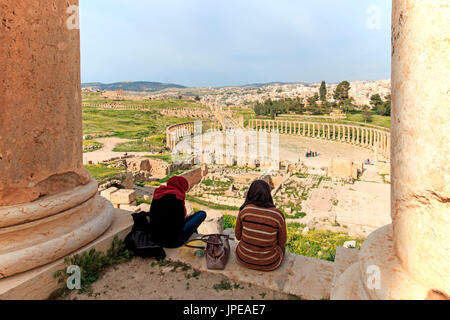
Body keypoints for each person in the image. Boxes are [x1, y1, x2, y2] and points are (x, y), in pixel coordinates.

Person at [234, 180, 287, 272]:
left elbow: (238, 237)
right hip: (269, 262)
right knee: (283, 247)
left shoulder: (244, 211)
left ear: (250, 193)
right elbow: (282, 242)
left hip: (243, 258)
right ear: (268, 194)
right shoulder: (277, 215)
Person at [148, 176, 207, 248]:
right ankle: (193, 238)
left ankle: (192, 236)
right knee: (202, 214)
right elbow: (179, 222)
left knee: (191, 220)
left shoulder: (159, 193)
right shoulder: (177, 197)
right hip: (172, 241)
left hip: (155, 238)